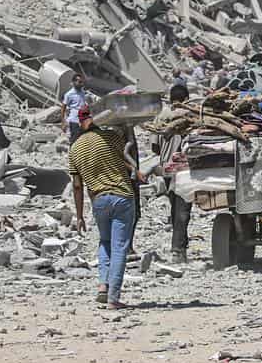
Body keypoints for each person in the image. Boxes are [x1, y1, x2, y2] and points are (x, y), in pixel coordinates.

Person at [68, 107, 143, 309]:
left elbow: (77, 185)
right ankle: (113, 298)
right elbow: (126, 157)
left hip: (98, 200)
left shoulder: (74, 148)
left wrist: (80, 216)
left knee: (105, 242)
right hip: (122, 197)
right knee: (120, 247)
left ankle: (103, 285)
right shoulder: (110, 137)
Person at [155, 83, 193, 263]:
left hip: (166, 168)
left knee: (174, 207)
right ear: (186, 98)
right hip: (182, 169)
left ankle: (180, 245)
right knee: (183, 210)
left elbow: (155, 146)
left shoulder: (161, 116)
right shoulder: (188, 115)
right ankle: (178, 249)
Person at [61, 74, 91, 142]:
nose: (81, 84)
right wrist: (63, 122)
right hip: (74, 121)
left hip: (83, 120)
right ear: (74, 82)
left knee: (83, 140)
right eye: (79, 82)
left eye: (82, 82)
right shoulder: (69, 94)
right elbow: (63, 108)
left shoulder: (83, 92)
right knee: (74, 141)